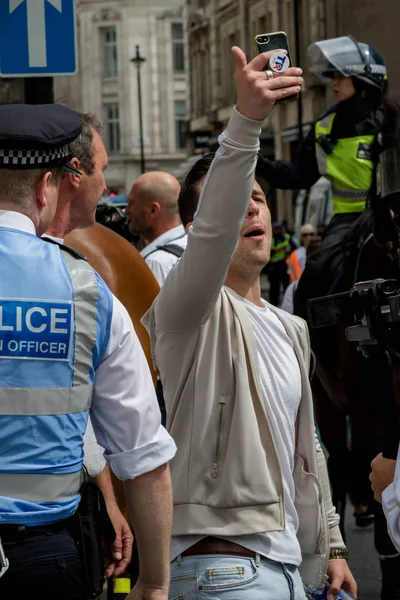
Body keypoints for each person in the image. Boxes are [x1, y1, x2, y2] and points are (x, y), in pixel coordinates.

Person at [142, 47, 356, 600]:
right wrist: (246, 123)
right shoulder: (189, 310)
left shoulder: (291, 328)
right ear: (197, 229)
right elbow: (213, 231)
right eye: (238, 202)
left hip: (292, 569)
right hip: (223, 572)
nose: (252, 209)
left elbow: (306, 444)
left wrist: (331, 544)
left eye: (259, 199)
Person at [0, 104, 176, 600]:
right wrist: (155, 582)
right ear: (44, 187)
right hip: (47, 559)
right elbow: (144, 456)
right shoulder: (87, 291)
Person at [43, 112, 133, 580]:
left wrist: (107, 494)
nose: (105, 183)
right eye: (100, 169)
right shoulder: (81, 285)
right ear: (72, 177)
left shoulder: (86, 277)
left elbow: (75, 402)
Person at [256, 35, 385, 308]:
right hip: (347, 224)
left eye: (340, 77)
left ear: (363, 81)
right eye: (333, 77)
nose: (333, 83)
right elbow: (298, 174)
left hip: (390, 217)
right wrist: (258, 160)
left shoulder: (392, 121)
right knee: (312, 277)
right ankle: (312, 348)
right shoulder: (324, 126)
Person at [126, 172, 187, 286]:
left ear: (153, 210)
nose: (126, 210)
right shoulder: (191, 244)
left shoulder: (155, 263)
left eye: (131, 203)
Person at [268, 221, 291, 305]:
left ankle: (287, 303)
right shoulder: (270, 238)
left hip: (284, 265)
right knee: (274, 288)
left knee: (286, 286)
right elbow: (268, 251)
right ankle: (273, 304)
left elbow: (291, 248)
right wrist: (278, 250)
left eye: (278, 228)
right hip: (274, 266)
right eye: (275, 229)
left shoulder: (286, 237)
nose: (277, 230)